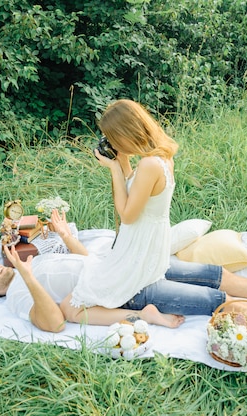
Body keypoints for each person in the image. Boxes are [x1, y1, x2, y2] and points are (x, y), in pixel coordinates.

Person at [0, 209, 247, 333]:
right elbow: (54, 323)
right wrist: (27, 275)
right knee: (213, 300)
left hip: (121, 265)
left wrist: (65, 234)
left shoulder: (35, 257)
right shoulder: (19, 295)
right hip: (129, 291)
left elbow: (86, 257)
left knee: (212, 272)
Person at [69, 99, 178, 309]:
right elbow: (137, 192)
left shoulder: (149, 165)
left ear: (126, 134)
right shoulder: (159, 157)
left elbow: (128, 216)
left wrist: (114, 169)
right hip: (149, 241)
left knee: (92, 289)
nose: (112, 142)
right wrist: (123, 161)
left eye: (113, 138)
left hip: (141, 247)